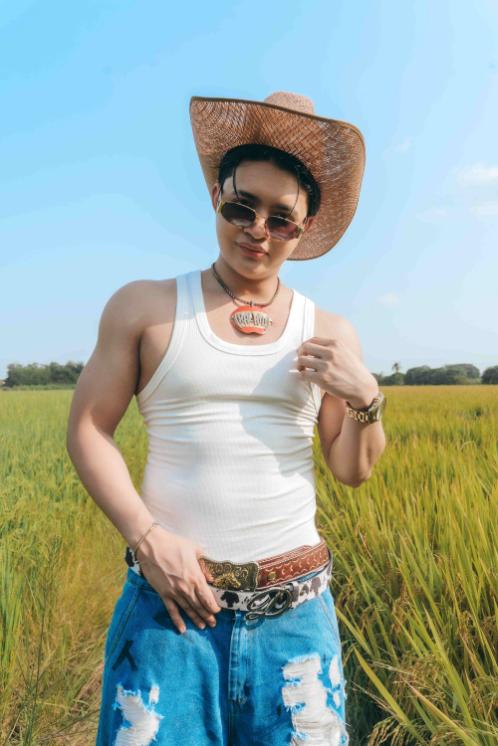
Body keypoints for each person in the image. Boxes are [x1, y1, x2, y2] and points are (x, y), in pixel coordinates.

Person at [66, 91, 387, 745]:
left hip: (296, 619)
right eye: (242, 206)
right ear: (216, 195)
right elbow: (88, 428)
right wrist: (147, 538)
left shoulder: (329, 332)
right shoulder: (147, 308)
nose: (257, 229)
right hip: (170, 610)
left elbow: (352, 469)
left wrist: (366, 398)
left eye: (281, 218)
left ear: (303, 228)